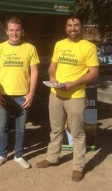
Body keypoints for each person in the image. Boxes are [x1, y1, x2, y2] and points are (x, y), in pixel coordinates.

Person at [36, 14, 99, 182]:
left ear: (82, 27)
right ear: (66, 27)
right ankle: (52, 157)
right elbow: (52, 66)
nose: (73, 28)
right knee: (55, 129)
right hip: (56, 94)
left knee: (77, 132)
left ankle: (78, 166)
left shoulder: (89, 47)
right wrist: (52, 78)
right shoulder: (59, 44)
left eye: (76, 25)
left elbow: (94, 73)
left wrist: (74, 83)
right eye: (70, 25)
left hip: (76, 96)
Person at [0, 17, 39, 169]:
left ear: (22, 31)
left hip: (23, 96)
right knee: (2, 127)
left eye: (17, 30)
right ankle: (2, 155)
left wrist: (31, 94)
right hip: (3, 95)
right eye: (11, 30)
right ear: (6, 31)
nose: (14, 33)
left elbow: (35, 72)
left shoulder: (30, 48)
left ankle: (18, 155)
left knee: (21, 128)